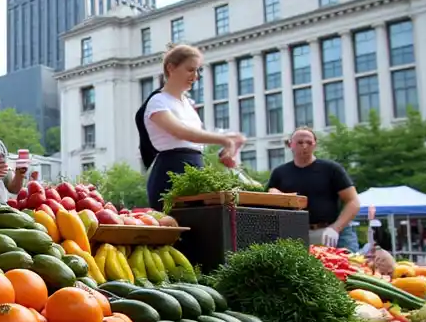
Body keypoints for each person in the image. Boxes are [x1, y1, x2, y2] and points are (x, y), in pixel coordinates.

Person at [136, 44, 246, 211]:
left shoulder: (187, 104)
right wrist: (225, 140)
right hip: (171, 172)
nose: (195, 76)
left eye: (197, 71)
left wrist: (227, 145)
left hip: (196, 168)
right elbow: (181, 132)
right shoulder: (157, 102)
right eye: (190, 70)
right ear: (171, 68)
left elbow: (197, 138)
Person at [267, 127, 361, 249]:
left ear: (315, 145)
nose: (304, 146)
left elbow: (353, 201)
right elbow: (268, 199)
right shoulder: (280, 173)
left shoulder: (331, 169)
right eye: (300, 142)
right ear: (290, 145)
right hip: (296, 235)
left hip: (333, 232)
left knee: (351, 265)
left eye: (309, 142)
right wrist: (273, 193)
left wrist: (335, 228)